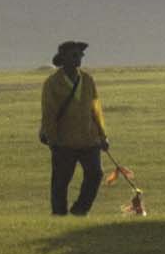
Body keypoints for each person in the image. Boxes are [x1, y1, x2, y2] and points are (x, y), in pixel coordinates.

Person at [40, 39, 112, 216]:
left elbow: (96, 109)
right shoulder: (52, 83)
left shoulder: (87, 80)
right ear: (63, 58)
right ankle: (59, 214)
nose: (78, 58)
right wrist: (53, 139)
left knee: (95, 174)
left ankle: (80, 209)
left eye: (80, 55)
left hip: (89, 138)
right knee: (61, 181)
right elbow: (49, 113)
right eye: (74, 55)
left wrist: (103, 135)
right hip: (64, 141)